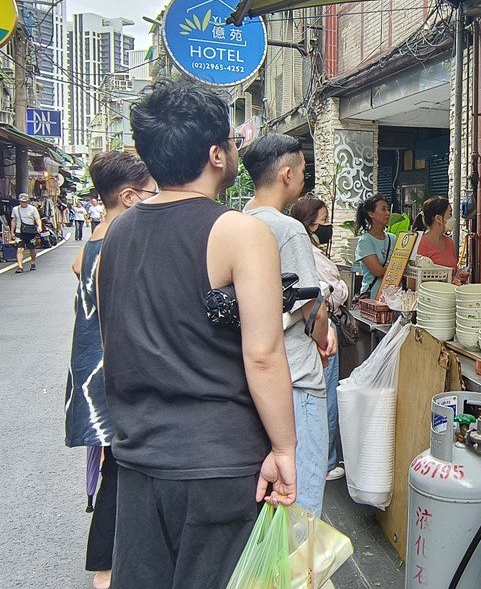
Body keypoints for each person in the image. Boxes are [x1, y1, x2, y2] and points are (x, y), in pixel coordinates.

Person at [97, 80, 298, 589]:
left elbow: (113, 340)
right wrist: (285, 450)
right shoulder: (239, 231)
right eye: (231, 142)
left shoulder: (115, 234)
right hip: (218, 464)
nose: (235, 150)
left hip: (138, 459)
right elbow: (264, 355)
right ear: (215, 154)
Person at [65, 151, 156, 589]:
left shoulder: (94, 241)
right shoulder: (119, 243)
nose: (157, 201)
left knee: (115, 473)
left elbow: (78, 268)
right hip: (111, 380)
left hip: (94, 378)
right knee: (121, 476)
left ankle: (110, 567)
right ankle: (106, 572)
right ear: (127, 196)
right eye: (152, 193)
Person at [242, 133, 336, 517]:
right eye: (301, 170)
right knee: (301, 499)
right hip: (295, 376)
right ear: (285, 174)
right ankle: (299, 574)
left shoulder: (238, 222)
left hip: (255, 383)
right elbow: (311, 305)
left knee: (270, 497)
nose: (304, 177)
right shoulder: (288, 229)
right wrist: (324, 336)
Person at [291, 197, 348, 482]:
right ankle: (324, 462)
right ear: (310, 223)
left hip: (315, 330)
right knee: (324, 397)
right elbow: (327, 295)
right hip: (322, 331)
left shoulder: (305, 248)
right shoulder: (307, 253)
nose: (328, 227)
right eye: (324, 221)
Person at [355, 193, 396, 300]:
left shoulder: (393, 238)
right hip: (372, 296)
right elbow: (378, 271)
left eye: (388, 209)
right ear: (371, 214)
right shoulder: (365, 242)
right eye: (383, 209)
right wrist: (399, 272)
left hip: (393, 295)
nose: (388, 213)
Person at [412, 196, 458, 268]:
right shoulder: (420, 243)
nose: (453, 219)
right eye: (450, 214)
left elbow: (453, 271)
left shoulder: (450, 242)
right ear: (438, 218)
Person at [10, 193, 43, 273]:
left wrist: (39, 226)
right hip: (19, 231)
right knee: (19, 249)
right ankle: (20, 266)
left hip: (30, 231)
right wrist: (12, 232)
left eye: (25, 202)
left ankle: (33, 262)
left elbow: (37, 218)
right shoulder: (15, 209)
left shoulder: (33, 209)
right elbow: (13, 220)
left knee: (32, 248)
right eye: (22, 202)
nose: (23, 203)